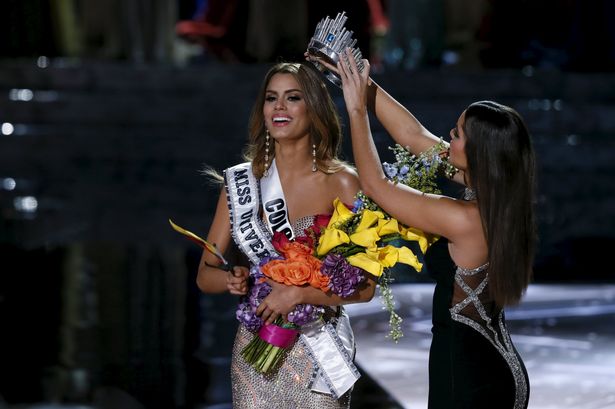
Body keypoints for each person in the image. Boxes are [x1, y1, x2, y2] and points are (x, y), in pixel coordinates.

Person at [328, 49, 534, 408]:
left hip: (468, 375)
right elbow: (413, 134)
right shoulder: (497, 198)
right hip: (491, 365)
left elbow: (377, 187)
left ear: (479, 152)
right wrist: (362, 80)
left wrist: (356, 109)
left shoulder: (467, 218)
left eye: (457, 134)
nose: (448, 138)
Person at [196, 62, 376, 408]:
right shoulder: (240, 184)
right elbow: (205, 275)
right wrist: (231, 280)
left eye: (292, 98)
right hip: (256, 346)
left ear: (314, 108)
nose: (279, 107)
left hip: (319, 354)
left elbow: (365, 289)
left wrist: (298, 294)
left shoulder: (342, 182)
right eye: (271, 98)